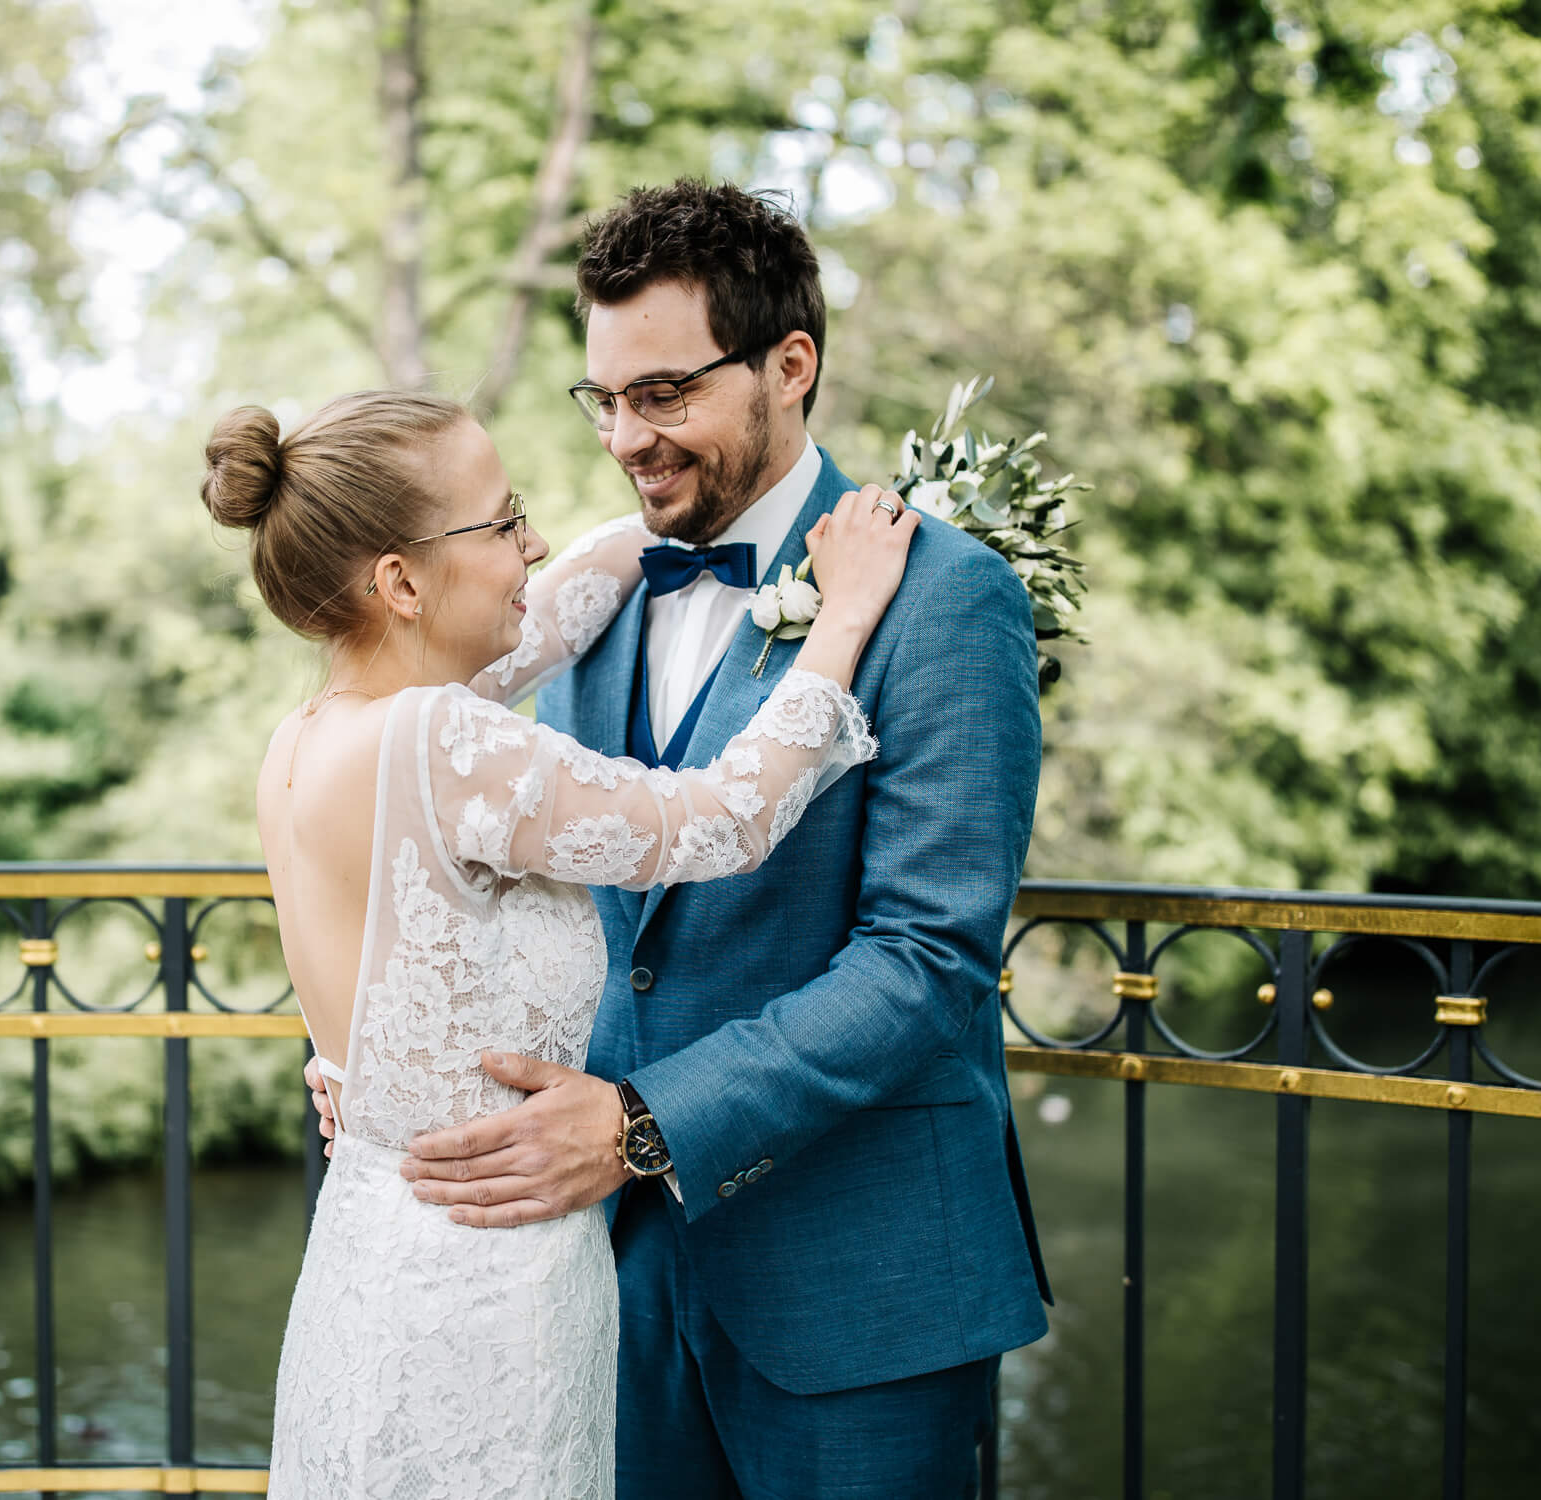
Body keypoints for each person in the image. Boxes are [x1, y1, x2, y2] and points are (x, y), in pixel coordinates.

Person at [311, 180, 1053, 1498]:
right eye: (599, 401)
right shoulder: (577, 604)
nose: (623, 440)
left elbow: (928, 962)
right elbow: (404, 820)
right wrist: (371, 1061)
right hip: (600, 1276)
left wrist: (645, 1124)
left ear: (788, 365)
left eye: (662, 395)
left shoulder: (944, 599)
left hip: (858, 1287)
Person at [203, 386, 920, 1499]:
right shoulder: (445, 737)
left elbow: (526, 630)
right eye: (502, 522)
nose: (531, 543)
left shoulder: (305, 740)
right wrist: (841, 618)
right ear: (397, 580)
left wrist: (677, 525)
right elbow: (717, 821)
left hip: (375, 1245)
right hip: (493, 1275)